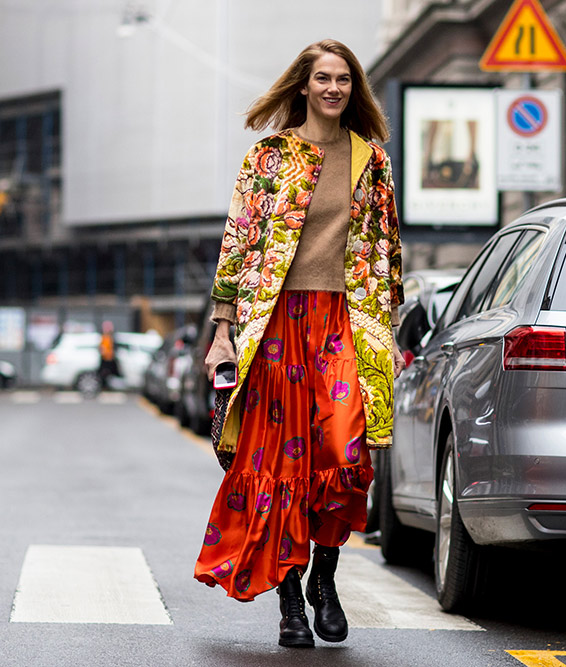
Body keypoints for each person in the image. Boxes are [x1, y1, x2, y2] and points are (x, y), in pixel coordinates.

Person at [193, 39, 405, 648]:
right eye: (323, 78)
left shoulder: (373, 161)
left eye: (343, 79)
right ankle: (290, 600)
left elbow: (388, 250)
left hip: (344, 322)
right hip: (278, 324)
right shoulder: (269, 157)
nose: (334, 88)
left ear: (353, 88)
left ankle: (326, 578)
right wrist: (223, 331)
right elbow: (239, 241)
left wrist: (385, 332)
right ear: (304, 86)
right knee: (282, 462)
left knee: (344, 453)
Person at [97, 321, 119, 389]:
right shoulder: (104, 338)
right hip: (105, 358)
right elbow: (101, 347)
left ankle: (107, 385)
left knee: (108, 373)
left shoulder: (110, 338)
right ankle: (104, 385)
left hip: (109, 358)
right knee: (104, 373)